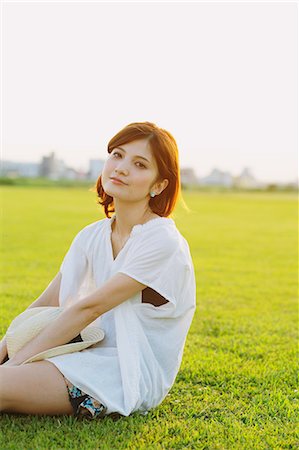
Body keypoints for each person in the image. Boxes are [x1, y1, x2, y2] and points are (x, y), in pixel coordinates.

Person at [0, 121, 196, 419]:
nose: (122, 168)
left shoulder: (161, 240)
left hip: (125, 372)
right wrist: (4, 348)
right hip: (79, 354)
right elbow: (47, 302)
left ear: (159, 185)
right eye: (117, 155)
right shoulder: (91, 235)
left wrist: (15, 365)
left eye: (140, 164)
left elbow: (89, 308)